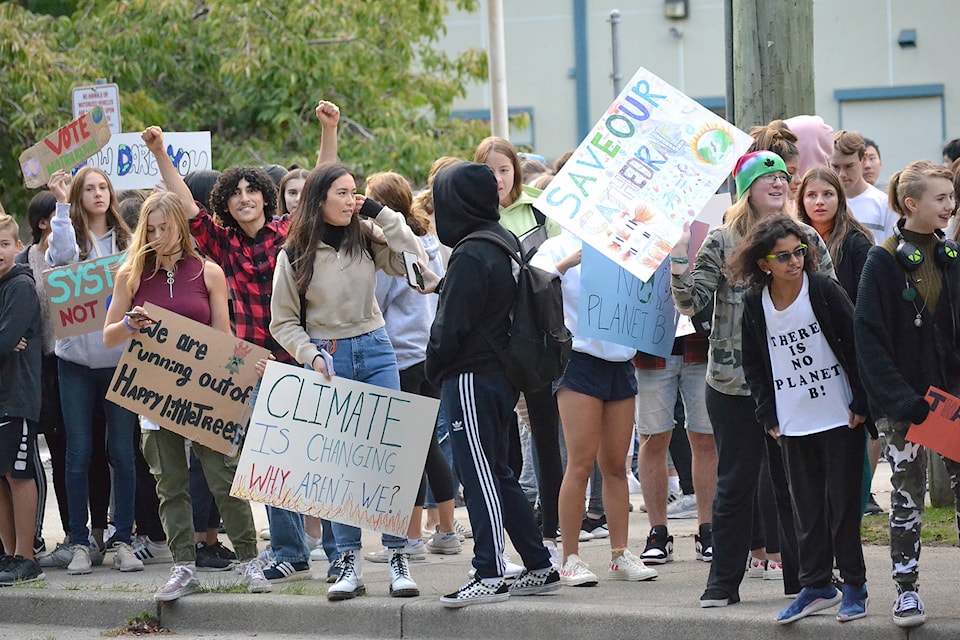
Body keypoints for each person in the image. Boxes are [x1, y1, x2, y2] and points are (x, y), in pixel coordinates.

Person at [145, 104, 341, 584]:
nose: (246, 197)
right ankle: (289, 552)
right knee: (266, 463)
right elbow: (186, 207)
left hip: (297, 357)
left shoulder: (288, 234)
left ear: (267, 196)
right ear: (226, 204)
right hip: (250, 366)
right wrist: (158, 153)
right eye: (236, 193)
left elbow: (319, 185)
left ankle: (338, 551)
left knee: (312, 461)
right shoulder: (221, 243)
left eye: (253, 190)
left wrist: (329, 129)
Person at [670, 150, 835, 608]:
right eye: (768, 178)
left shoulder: (802, 238)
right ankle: (722, 583)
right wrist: (680, 253)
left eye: (784, 177)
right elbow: (690, 301)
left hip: (794, 380)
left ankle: (807, 581)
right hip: (733, 383)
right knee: (736, 482)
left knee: (796, 482)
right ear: (747, 189)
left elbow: (830, 294)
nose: (779, 183)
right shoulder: (723, 240)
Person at [102, 188, 271, 601]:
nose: (160, 236)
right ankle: (182, 567)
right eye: (152, 229)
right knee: (170, 485)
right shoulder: (131, 274)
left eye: (167, 228)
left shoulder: (208, 272)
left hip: (204, 397)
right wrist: (129, 323)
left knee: (223, 477)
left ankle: (250, 560)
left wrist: (245, 369)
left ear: (181, 226)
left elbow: (223, 337)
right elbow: (109, 337)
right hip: (154, 397)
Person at [270, 162, 427, 601]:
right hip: (328, 358)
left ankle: (398, 557)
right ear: (320, 199)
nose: (350, 199)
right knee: (340, 467)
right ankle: (348, 563)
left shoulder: (367, 235)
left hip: (376, 348)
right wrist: (311, 356)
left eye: (354, 192)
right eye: (342, 193)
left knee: (389, 458)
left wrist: (380, 212)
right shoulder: (294, 252)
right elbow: (282, 322)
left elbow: (413, 258)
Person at [426, 162, 559, 607]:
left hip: (471, 375)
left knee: (478, 472)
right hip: (501, 374)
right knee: (497, 472)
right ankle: (539, 564)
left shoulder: (469, 251)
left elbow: (451, 327)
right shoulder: (501, 238)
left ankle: (489, 570)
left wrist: (434, 367)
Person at [732, 214, 869, 624]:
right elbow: (754, 362)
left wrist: (861, 402)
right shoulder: (756, 303)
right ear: (764, 264)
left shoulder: (823, 289)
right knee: (804, 509)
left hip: (840, 417)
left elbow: (856, 341)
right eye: (784, 256)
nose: (795, 261)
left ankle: (856, 586)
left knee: (843, 506)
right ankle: (816, 586)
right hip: (792, 422)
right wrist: (767, 413)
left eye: (799, 253)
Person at [854, 160, 960, 628]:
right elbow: (869, 338)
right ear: (911, 203)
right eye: (941, 198)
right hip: (906, 405)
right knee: (906, 495)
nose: (950, 205)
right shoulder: (883, 260)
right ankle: (906, 590)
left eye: (952, 197)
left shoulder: (951, 256)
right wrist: (899, 400)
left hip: (952, 402)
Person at [531, 230, 658, 586]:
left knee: (616, 465)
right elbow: (532, 284)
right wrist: (569, 262)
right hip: (578, 360)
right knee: (580, 462)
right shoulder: (556, 244)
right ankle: (569, 556)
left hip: (621, 360)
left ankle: (620, 552)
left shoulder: (630, 241)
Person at [45, 167, 141, 575]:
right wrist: (61, 206)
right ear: (78, 196)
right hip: (76, 366)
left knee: (122, 452)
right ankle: (81, 542)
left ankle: (123, 540)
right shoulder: (69, 238)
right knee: (78, 453)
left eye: (104, 187)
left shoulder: (128, 242)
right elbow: (62, 258)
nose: (99, 194)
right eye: (90, 189)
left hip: (119, 365)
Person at [475, 136, 565, 557]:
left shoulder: (543, 208)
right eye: (489, 171)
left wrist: (542, 269)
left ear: (515, 169)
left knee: (546, 435)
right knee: (502, 443)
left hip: (537, 334)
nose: (497, 179)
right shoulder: (474, 213)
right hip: (493, 341)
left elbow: (567, 253)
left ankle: (552, 530)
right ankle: (507, 539)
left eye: (504, 170)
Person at [367, 171, 461, 559]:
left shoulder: (394, 245)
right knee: (426, 446)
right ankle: (446, 530)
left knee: (411, 449)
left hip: (402, 353)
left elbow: (376, 301)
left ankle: (411, 538)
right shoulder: (429, 240)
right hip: (429, 350)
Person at [795, 168, 883, 515]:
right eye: (811, 195)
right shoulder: (790, 238)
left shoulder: (855, 241)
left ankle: (853, 506)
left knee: (851, 430)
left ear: (840, 199)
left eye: (827, 194)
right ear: (800, 201)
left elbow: (865, 299)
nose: (819, 202)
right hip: (802, 349)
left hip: (846, 349)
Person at [14, 191, 65, 557]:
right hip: (35, 368)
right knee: (29, 453)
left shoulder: (74, 255)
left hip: (70, 364)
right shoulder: (21, 263)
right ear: (43, 222)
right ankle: (27, 538)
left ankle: (78, 535)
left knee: (68, 452)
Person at [0, 213, 44, 585]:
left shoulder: (20, 286)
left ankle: (26, 556)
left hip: (17, 396)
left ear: (18, 247)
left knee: (18, 472)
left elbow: (5, 340)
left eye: (4, 244)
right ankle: (9, 553)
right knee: (0, 476)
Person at [830, 130, 898, 244]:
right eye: (835, 167)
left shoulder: (884, 203)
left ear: (864, 159)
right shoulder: (824, 203)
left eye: (849, 166)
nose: (842, 174)